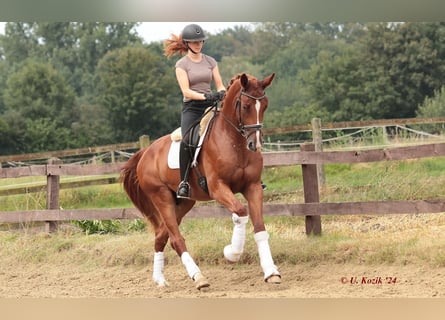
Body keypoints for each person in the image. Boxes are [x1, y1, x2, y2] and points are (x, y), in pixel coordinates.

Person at [164, 23, 226, 198]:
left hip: (210, 105)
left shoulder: (210, 61)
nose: (198, 44)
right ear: (187, 43)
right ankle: (184, 182)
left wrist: (221, 93)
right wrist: (206, 97)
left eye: (201, 41)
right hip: (192, 108)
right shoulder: (181, 65)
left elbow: (220, 84)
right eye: (194, 41)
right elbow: (186, 91)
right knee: (187, 140)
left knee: (232, 130)